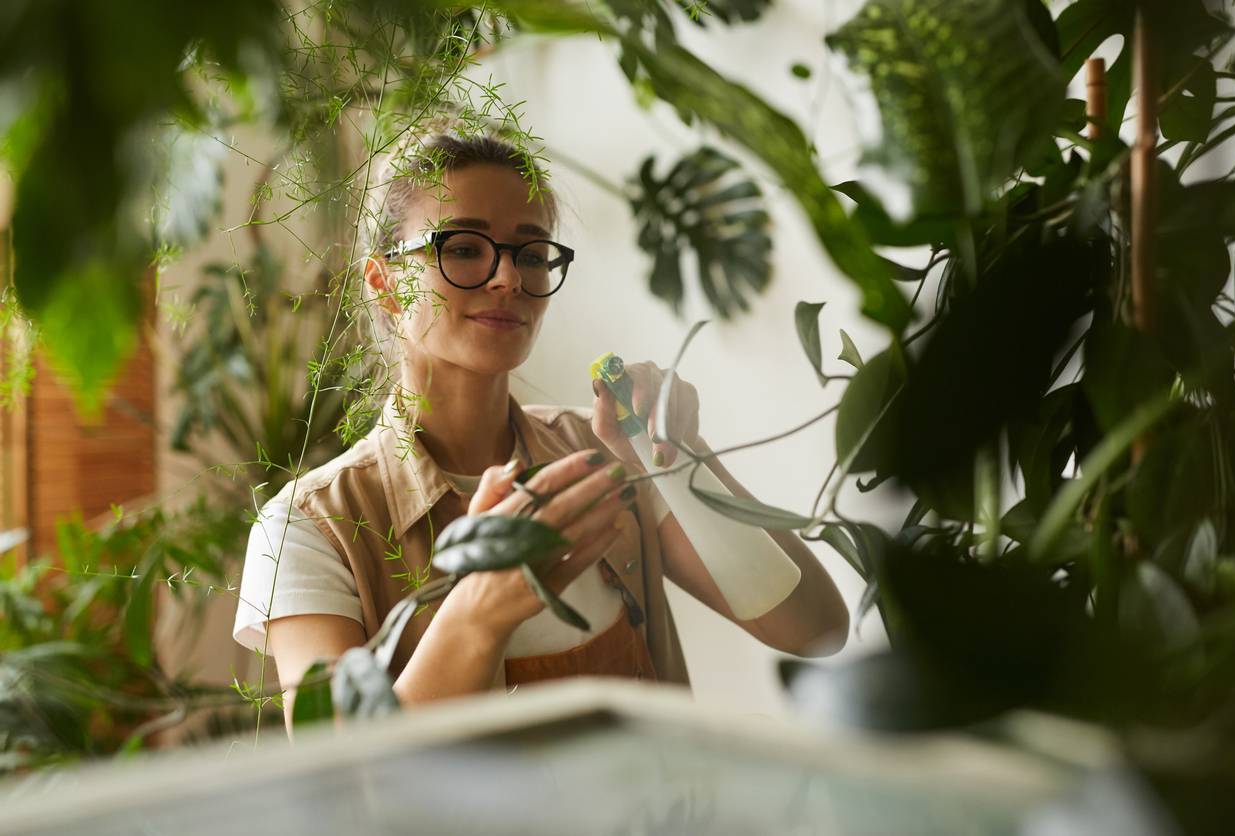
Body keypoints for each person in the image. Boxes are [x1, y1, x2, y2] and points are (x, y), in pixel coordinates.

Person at [232, 128, 849, 732]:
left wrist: (678, 455)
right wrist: (481, 609)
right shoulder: (311, 526)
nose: (508, 278)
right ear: (384, 282)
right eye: (464, 247)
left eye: (530, 253)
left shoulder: (602, 455)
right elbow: (338, 781)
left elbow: (813, 627)